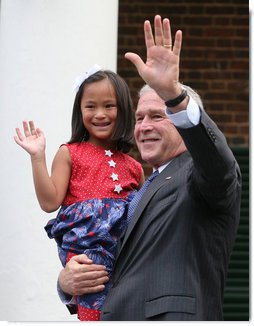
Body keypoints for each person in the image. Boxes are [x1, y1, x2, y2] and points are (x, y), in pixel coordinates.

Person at [57, 15, 242, 321]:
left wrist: (174, 96)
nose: (144, 126)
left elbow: (219, 166)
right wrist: (66, 284)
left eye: (158, 116)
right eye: (140, 118)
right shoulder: (139, 187)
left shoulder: (197, 174)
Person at [14, 66, 144, 321]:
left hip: (126, 264)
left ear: (124, 110)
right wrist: (37, 156)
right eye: (90, 106)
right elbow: (50, 202)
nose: (100, 114)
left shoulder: (135, 167)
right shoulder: (69, 153)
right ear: (79, 110)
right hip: (87, 262)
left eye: (109, 105)